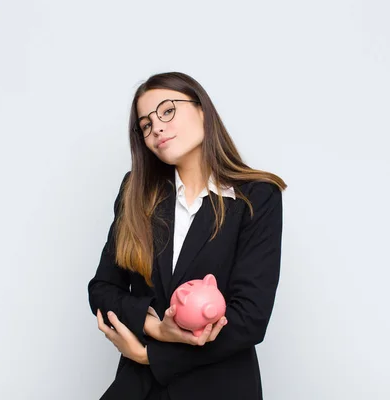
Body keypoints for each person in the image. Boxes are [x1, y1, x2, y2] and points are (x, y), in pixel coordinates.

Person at [88, 71, 286, 400]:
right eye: (146, 125)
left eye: (167, 111)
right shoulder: (136, 193)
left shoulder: (257, 197)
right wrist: (154, 327)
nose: (157, 128)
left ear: (202, 110)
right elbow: (102, 289)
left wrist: (150, 355)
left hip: (219, 389)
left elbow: (250, 318)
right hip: (139, 390)